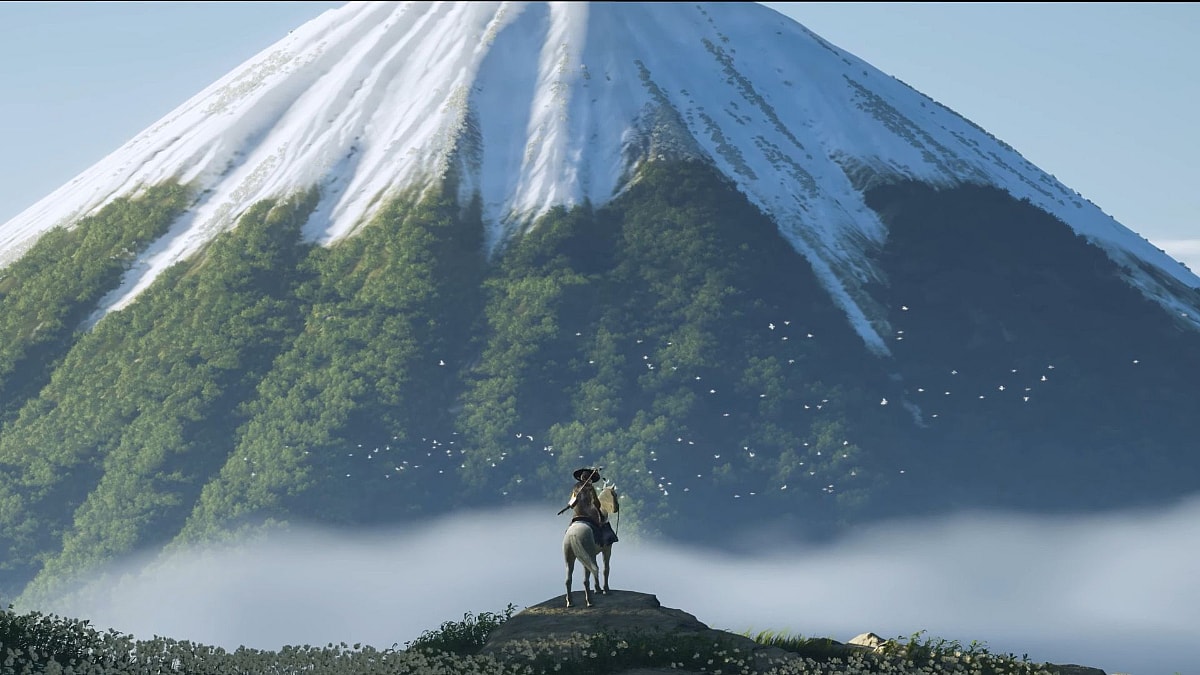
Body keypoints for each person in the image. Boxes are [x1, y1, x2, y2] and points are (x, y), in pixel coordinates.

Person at [565, 466, 618, 547]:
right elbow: (596, 503)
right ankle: (604, 542)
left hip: (577, 514)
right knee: (603, 522)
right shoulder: (590, 488)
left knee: (568, 529)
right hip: (590, 513)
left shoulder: (576, 487)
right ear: (589, 479)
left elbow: (572, 502)